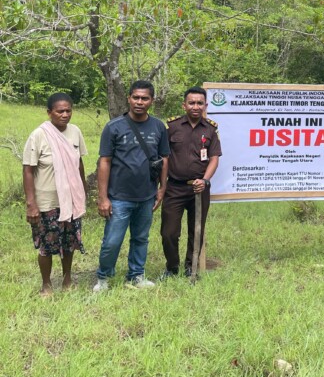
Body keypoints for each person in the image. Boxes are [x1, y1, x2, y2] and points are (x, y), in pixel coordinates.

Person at [94, 80, 169, 291]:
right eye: (136, 97)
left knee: (141, 238)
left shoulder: (158, 127)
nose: (139, 102)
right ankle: (103, 278)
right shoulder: (113, 127)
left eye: (144, 98)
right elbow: (104, 161)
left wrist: (162, 188)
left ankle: (136, 275)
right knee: (112, 241)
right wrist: (103, 197)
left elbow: (164, 158)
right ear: (128, 98)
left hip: (146, 195)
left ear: (151, 101)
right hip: (118, 196)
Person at [22, 92, 88, 296]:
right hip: (47, 201)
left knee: (69, 242)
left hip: (70, 200)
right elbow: (28, 170)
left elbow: (79, 164)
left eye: (68, 110)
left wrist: (83, 193)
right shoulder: (39, 135)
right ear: (49, 112)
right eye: (60, 111)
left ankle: (67, 279)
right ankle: (46, 284)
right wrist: (31, 203)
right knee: (47, 244)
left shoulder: (75, 132)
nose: (65, 114)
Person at [161, 87, 222, 279]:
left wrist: (204, 180)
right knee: (169, 233)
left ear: (205, 105)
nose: (195, 107)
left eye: (199, 103)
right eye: (191, 103)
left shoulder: (211, 129)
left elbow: (214, 158)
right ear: (184, 105)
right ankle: (172, 268)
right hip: (175, 188)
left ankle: (191, 267)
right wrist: (161, 185)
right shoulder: (172, 127)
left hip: (199, 189)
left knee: (196, 231)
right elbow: (164, 157)